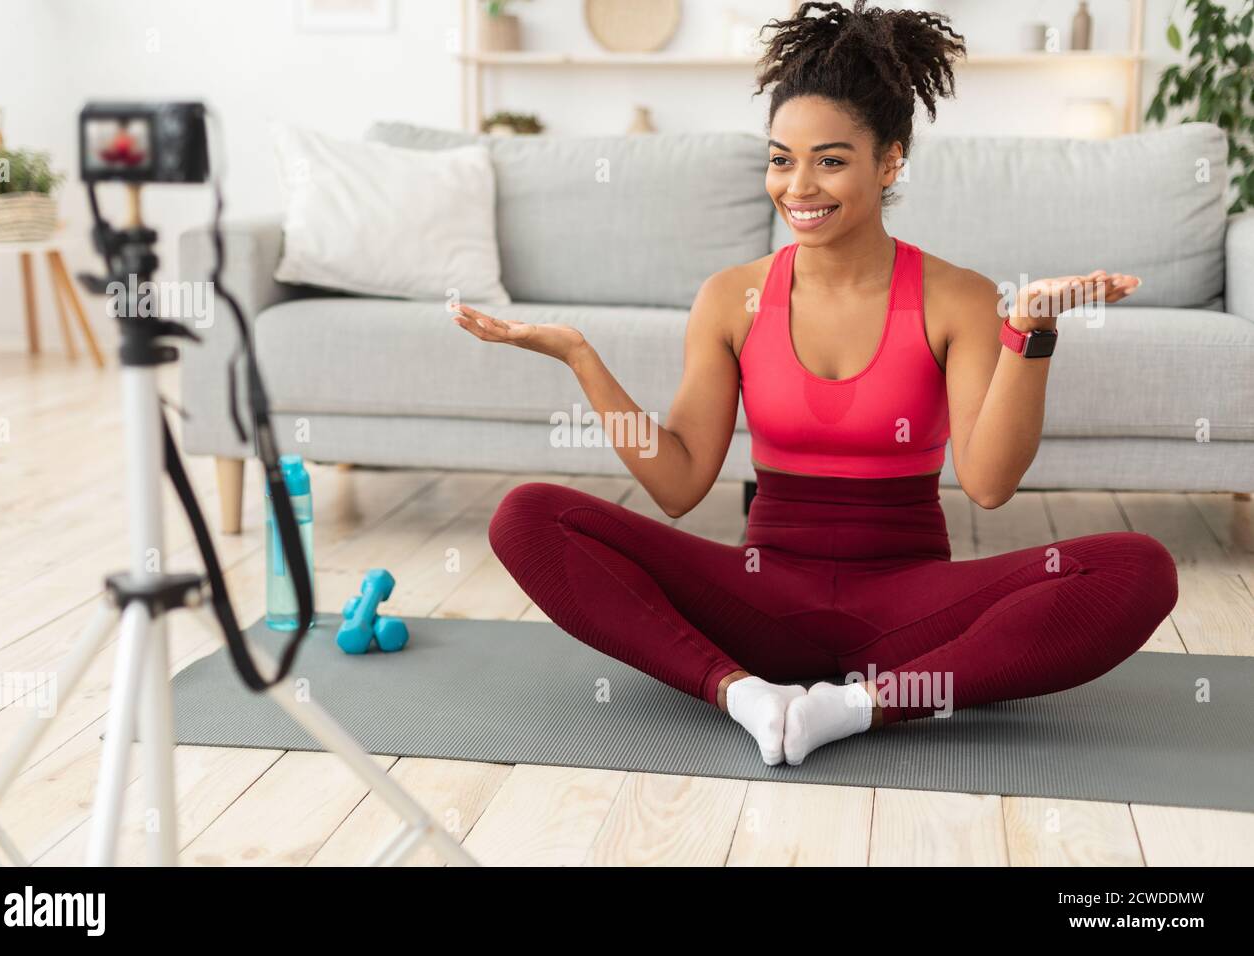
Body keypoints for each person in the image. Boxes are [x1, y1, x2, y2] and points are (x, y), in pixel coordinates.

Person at [452, 0, 1178, 766]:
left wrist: (1031, 331)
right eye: (780, 158)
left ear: (890, 161)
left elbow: (990, 484)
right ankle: (744, 695)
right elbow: (677, 484)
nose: (799, 185)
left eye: (830, 160)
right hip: (761, 599)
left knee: (1139, 569)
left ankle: (857, 707)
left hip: (910, 606)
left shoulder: (956, 295)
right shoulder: (731, 296)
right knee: (527, 515)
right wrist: (581, 359)